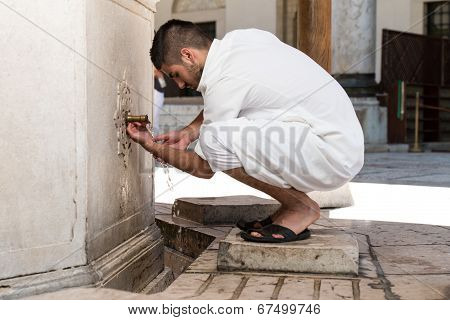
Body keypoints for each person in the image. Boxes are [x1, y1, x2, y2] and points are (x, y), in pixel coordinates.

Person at [127, 19, 364, 243]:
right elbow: (235, 97)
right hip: (340, 143)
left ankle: (300, 207)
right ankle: (289, 206)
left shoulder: (224, 82)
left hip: (328, 153)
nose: (178, 85)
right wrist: (190, 131)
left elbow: (204, 168)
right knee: (233, 127)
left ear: (188, 55)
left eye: (175, 74)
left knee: (214, 140)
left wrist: (152, 146)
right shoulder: (242, 40)